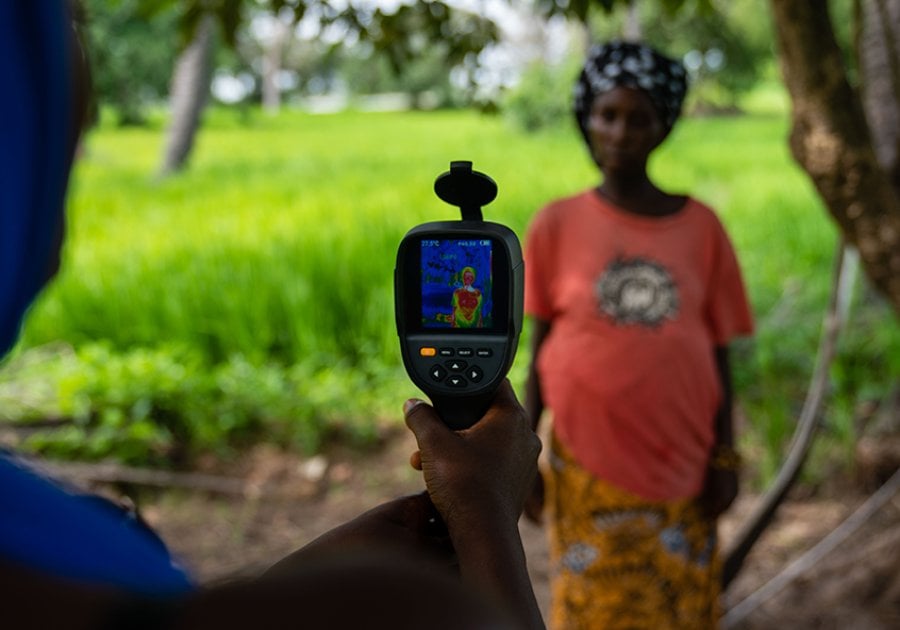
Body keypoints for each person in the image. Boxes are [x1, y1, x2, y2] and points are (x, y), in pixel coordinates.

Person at [0, 4, 545, 628]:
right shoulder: (61, 565)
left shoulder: (45, 546)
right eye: (72, 26)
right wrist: (484, 525)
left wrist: (288, 577)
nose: (83, 103)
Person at [522, 40, 754, 629]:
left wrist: (726, 455)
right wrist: (521, 460)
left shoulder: (701, 228)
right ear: (587, 119)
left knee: (678, 602)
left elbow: (718, 352)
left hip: (682, 462)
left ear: (663, 127)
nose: (621, 133)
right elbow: (539, 352)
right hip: (586, 463)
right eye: (608, 115)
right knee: (593, 605)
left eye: (639, 118)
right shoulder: (555, 224)